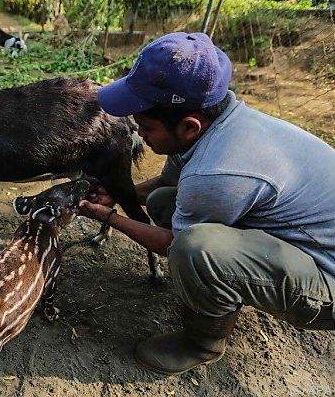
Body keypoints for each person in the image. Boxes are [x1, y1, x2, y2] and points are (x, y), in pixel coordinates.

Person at [78, 32, 335, 375]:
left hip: (327, 278)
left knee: (197, 249)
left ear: (188, 126)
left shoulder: (218, 171)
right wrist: (123, 193)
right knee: (163, 200)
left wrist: (108, 217)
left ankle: (202, 344)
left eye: (146, 128)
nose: (141, 136)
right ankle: (219, 285)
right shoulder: (219, 126)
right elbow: (170, 181)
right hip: (303, 236)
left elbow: (176, 244)